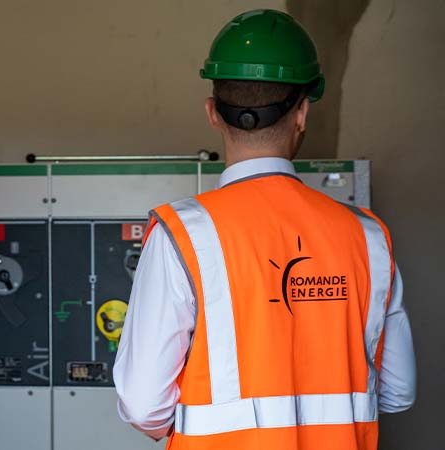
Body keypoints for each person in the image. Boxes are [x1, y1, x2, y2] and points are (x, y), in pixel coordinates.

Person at [113, 10, 416, 450]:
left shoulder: (182, 236)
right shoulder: (368, 238)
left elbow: (144, 405)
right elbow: (398, 391)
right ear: (302, 113)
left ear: (213, 113)